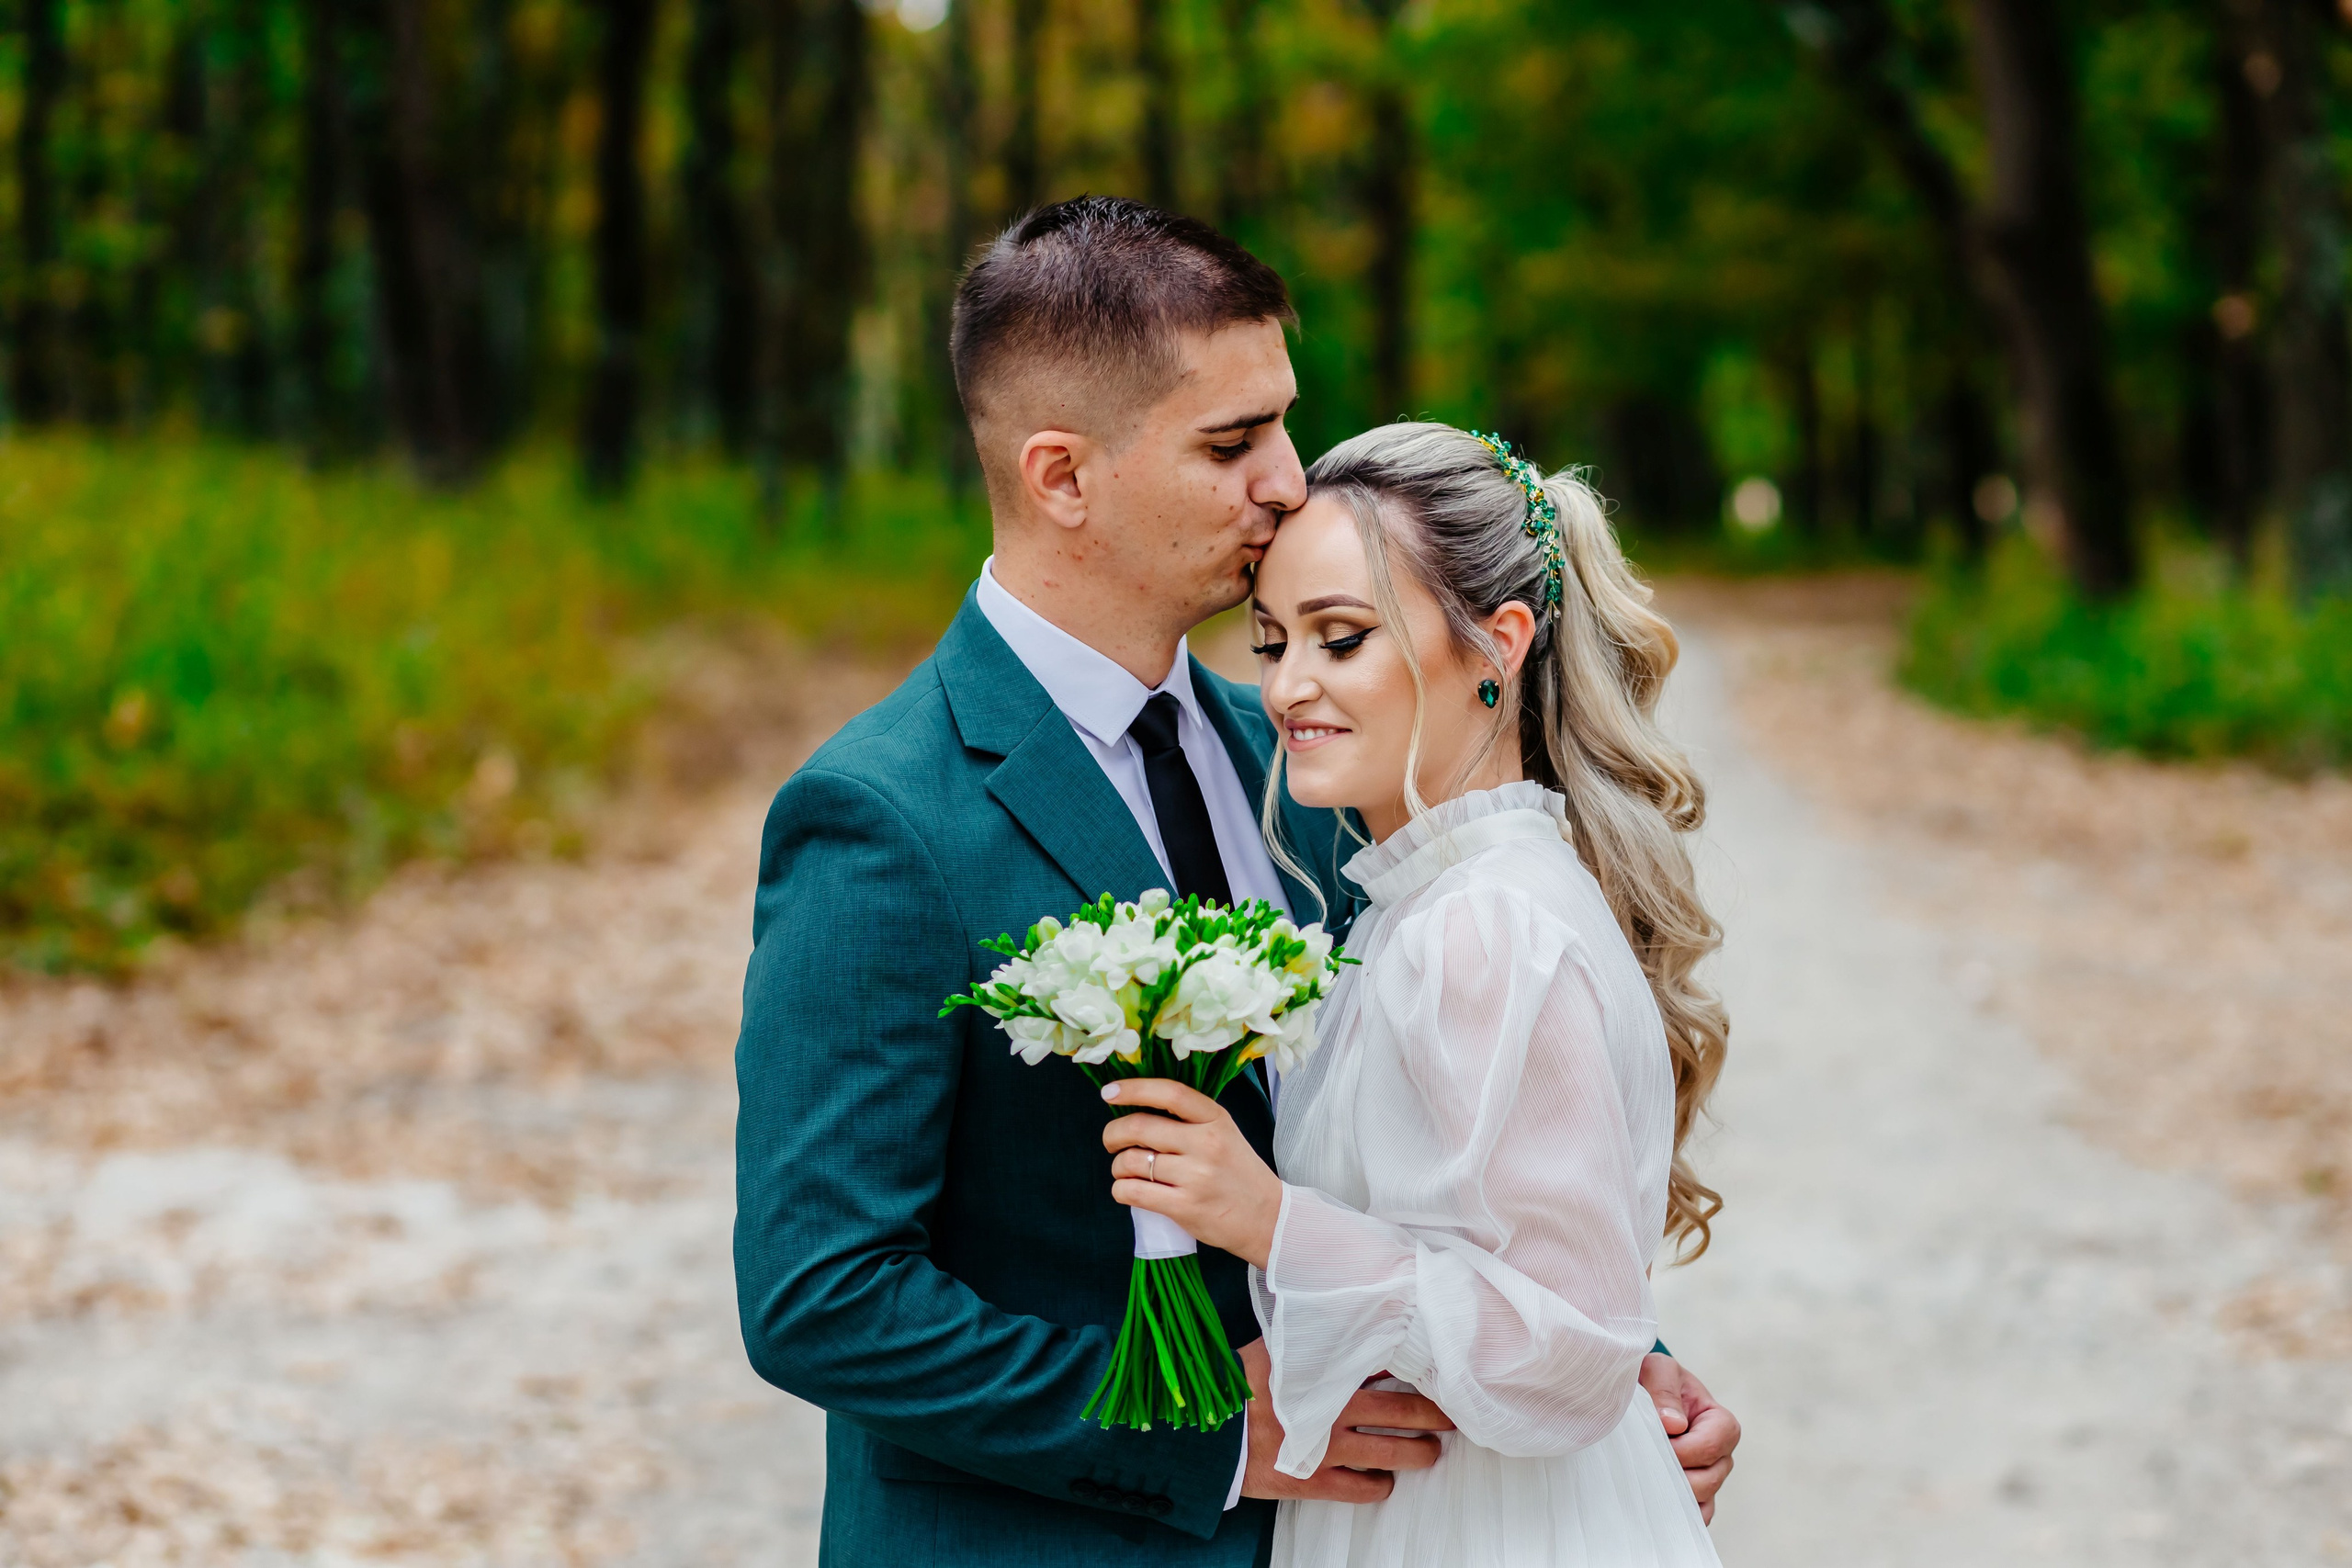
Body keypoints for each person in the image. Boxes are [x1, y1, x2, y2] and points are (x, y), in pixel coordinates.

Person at [733, 197, 1737, 1567]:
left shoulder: (1312, 754)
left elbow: (1440, 1131)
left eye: (1282, 420)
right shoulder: (883, 816)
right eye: (1232, 442)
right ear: (1061, 475)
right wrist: (1201, 1436)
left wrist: (1619, 1355)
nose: (1289, 478)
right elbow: (824, 1295)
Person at [1097, 422, 1729, 1565]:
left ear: (1498, 644)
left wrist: (1270, 1222)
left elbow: (1570, 1353)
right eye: (1272, 641)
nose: (1287, 689)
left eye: (1341, 640)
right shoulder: (1424, 905)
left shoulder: (1484, 924)